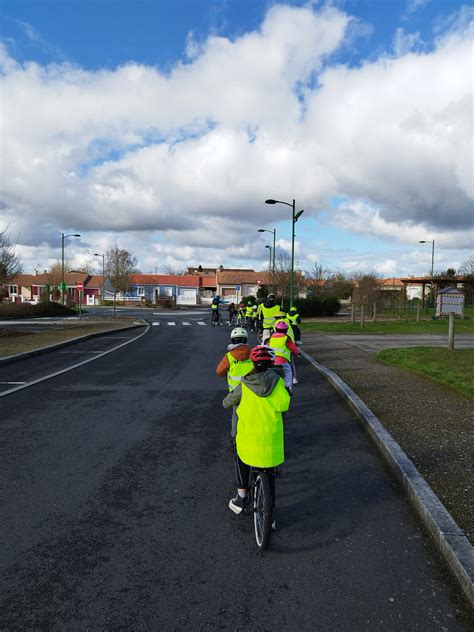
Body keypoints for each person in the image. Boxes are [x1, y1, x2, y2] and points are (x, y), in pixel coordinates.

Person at [223, 345, 291, 520]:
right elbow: (284, 405)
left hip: (248, 437)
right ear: (271, 363)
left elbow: (227, 403)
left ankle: (241, 498)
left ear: (252, 362)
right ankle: (272, 516)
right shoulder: (278, 382)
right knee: (270, 473)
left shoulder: (245, 385)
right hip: (271, 438)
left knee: (240, 459)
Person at [216, 327, 253, 440]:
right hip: (252, 390)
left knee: (236, 415)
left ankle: (235, 436)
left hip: (236, 393)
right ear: (246, 339)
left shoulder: (229, 356)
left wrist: (226, 375)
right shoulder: (252, 353)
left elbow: (219, 371)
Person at [268, 321, 299, 390]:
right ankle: (288, 388)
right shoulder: (286, 338)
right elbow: (293, 348)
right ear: (286, 330)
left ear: (276, 329)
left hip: (273, 360)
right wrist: (297, 353)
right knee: (288, 372)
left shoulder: (272, 337)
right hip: (283, 360)